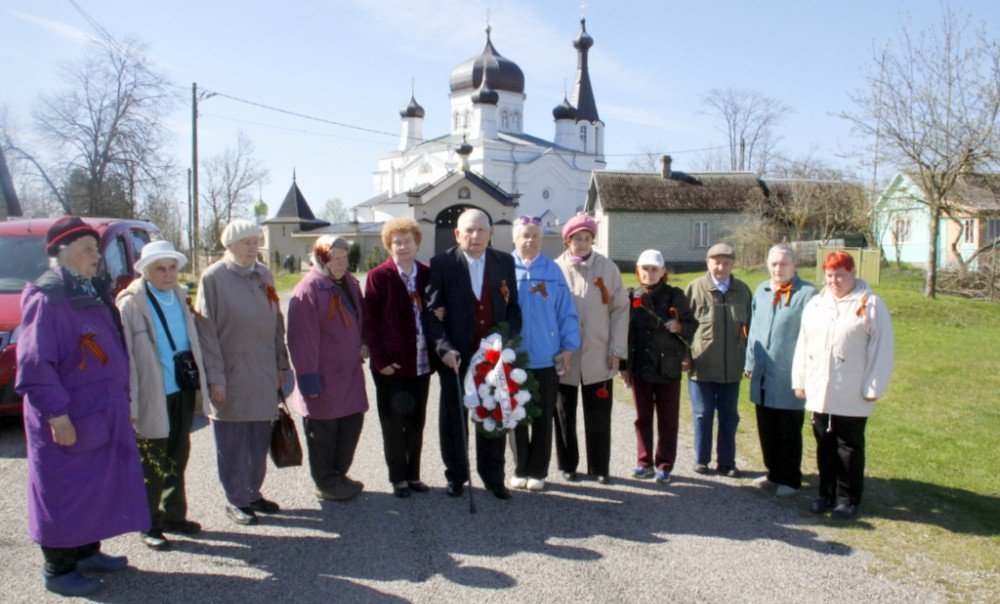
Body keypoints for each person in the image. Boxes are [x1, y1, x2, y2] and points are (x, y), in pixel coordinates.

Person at [16, 216, 149, 597]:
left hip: (98, 412)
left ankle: (87, 550)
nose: (96, 256)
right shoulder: (49, 298)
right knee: (63, 491)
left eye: (96, 248)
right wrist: (57, 415)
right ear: (62, 254)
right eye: (87, 249)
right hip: (68, 416)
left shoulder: (89, 291)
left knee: (95, 486)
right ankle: (58, 570)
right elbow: (35, 365)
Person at [195, 219, 289, 526]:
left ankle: (253, 492)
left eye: (256, 241)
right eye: (246, 242)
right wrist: (216, 378)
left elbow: (277, 324)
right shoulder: (214, 278)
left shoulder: (264, 274)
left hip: (263, 371)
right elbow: (206, 333)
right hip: (231, 372)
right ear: (230, 245)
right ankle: (235, 499)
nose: (253, 248)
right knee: (232, 439)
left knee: (259, 436)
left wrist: (281, 364)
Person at [117, 240, 210, 550]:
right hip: (151, 393)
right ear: (146, 270)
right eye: (160, 268)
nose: (168, 273)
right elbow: (126, 357)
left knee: (178, 454)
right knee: (152, 461)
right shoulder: (130, 304)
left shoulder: (180, 297)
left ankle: (173, 514)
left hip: (181, 390)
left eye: (172, 267)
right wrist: (130, 401)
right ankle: (149, 523)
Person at [423, 208, 522, 500]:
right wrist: (444, 349)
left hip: (492, 357)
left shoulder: (504, 262)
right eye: (469, 230)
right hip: (456, 356)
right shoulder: (442, 263)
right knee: (453, 418)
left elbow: (513, 310)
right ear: (457, 234)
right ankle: (456, 475)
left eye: (481, 230)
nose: (475, 236)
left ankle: (493, 478)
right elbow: (432, 314)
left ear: (490, 233)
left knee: (493, 415)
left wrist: (502, 340)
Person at [793, 251, 894, 519]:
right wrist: (799, 380)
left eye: (840, 275)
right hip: (819, 386)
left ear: (852, 274)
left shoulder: (870, 304)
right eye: (829, 276)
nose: (834, 281)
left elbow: (881, 349)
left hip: (850, 388)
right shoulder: (816, 305)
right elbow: (803, 344)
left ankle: (847, 499)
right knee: (824, 442)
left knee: (848, 446)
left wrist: (873, 387)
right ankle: (825, 494)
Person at [288, 235, 369, 502]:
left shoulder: (349, 283)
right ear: (321, 257)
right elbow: (302, 341)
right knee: (324, 433)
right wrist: (309, 382)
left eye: (345, 256)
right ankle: (326, 483)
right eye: (335, 257)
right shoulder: (308, 290)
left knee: (350, 426)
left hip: (349, 375)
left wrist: (364, 342)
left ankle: (338, 475)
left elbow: (361, 318)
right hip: (323, 377)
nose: (341, 261)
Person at [554, 213, 629, 484]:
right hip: (565, 357)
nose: (582, 243)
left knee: (598, 416)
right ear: (567, 241)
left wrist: (617, 350)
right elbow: (545, 306)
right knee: (564, 415)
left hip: (599, 354)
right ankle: (568, 465)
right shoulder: (555, 270)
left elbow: (620, 310)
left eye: (587, 238)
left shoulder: (608, 268)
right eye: (577, 238)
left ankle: (599, 468)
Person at [508, 215, 579, 492]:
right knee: (516, 416)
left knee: (542, 417)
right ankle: (520, 468)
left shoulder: (552, 270)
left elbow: (566, 312)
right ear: (515, 238)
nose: (530, 240)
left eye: (535, 236)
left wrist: (568, 347)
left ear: (542, 239)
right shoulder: (504, 267)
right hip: (514, 358)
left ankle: (538, 471)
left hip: (546, 357)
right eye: (525, 235)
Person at [363, 218, 434, 498]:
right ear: (388, 246)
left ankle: (413, 474)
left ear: (417, 243)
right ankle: (398, 478)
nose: (402, 246)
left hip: (421, 364)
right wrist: (381, 360)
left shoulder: (427, 274)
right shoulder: (379, 276)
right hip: (391, 366)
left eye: (407, 241)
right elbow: (370, 322)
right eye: (397, 242)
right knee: (393, 423)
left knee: (417, 422)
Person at [744, 244, 818, 497]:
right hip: (763, 372)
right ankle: (773, 473)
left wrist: (807, 373)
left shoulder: (807, 294)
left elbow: (812, 336)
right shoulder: (761, 291)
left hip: (789, 372)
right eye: (774, 264)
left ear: (794, 265)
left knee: (788, 427)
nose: (779, 268)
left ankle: (790, 478)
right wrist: (750, 362)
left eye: (784, 263)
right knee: (766, 425)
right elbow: (753, 329)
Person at [620, 250, 696, 485]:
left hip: (668, 367)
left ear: (663, 271)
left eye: (654, 269)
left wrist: (680, 326)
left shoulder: (675, 295)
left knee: (668, 419)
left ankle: (664, 465)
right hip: (641, 366)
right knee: (642, 418)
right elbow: (624, 333)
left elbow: (692, 324)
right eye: (645, 269)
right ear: (638, 271)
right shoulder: (631, 295)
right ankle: (644, 462)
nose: (649, 273)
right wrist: (624, 366)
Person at [685, 243, 752, 477]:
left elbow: (750, 329)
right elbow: (684, 329)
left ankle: (727, 462)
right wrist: (685, 358)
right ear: (708, 263)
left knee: (729, 416)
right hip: (701, 367)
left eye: (726, 263)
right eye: (716, 262)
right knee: (702, 414)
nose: (721, 267)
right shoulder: (695, 289)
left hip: (731, 368)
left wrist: (748, 359)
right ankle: (701, 459)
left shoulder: (742, 291)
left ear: (733, 265)